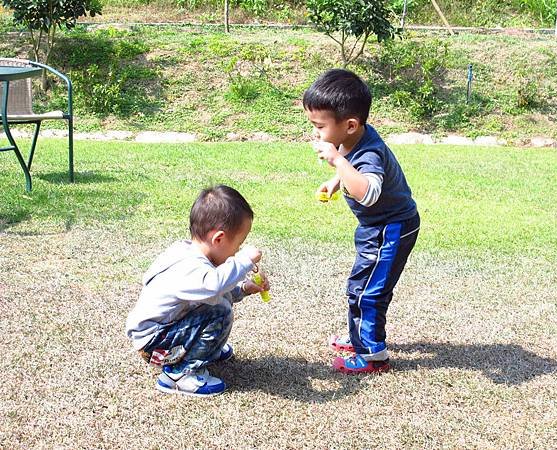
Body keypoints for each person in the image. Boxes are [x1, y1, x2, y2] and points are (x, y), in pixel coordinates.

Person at [303, 68, 420, 374]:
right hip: (377, 228)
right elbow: (352, 171)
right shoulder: (353, 138)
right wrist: (336, 180)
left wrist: (337, 161)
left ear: (351, 125)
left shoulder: (369, 153)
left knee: (370, 290)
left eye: (319, 126)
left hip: (391, 228)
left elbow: (368, 192)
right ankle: (359, 336)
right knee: (360, 284)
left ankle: (372, 356)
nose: (315, 133)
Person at [125, 185, 269, 396]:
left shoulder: (187, 253)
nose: (237, 251)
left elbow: (214, 289)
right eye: (238, 245)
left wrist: (244, 288)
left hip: (162, 335)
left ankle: (200, 349)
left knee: (217, 303)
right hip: (156, 345)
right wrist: (243, 261)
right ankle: (179, 374)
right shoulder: (191, 267)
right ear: (218, 239)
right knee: (219, 311)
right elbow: (213, 288)